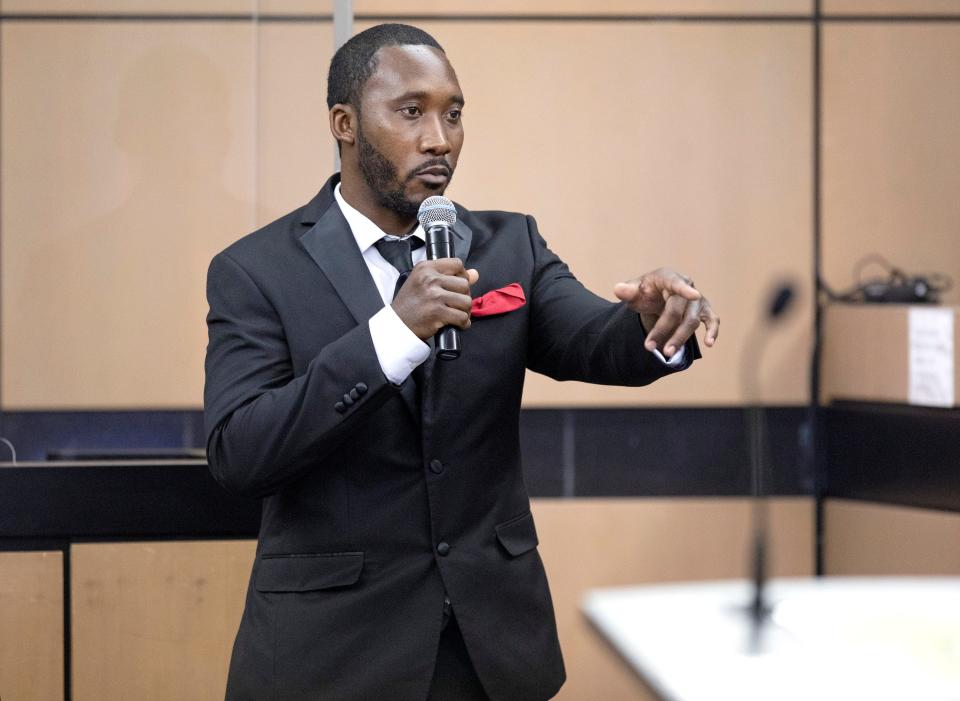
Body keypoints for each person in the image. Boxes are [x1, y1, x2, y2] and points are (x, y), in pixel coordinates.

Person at [204, 23, 719, 701]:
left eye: (454, 113)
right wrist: (392, 335)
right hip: (331, 656)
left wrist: (650, 323)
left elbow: (592, 335)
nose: (439, 139)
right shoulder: (257, 269)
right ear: (345, 123)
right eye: (411, 111)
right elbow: (240, 450)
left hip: (488, 652)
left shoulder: (509, 245)